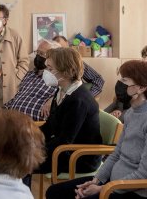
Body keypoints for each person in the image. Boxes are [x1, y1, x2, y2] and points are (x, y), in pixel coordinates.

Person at [46, 60, 147, 199]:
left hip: (135, 190)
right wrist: (96, 181)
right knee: (54, 192)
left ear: (141, 88)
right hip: (113, 182)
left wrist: (102, 188)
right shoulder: (131, 113)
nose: (119, 84)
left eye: (124, 80)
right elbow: (117, 153)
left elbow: (145, 174)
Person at [25, 47, 102, 187]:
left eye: (50, 68)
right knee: (17, 155)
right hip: (64, 150)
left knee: (18, 163)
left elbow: (65, 140)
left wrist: (34, 149)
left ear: (67, 71)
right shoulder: (61, 91)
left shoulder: (79, 100)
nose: (46, 72)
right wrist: (29, 139)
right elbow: (49, 127)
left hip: (79, 157)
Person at [4, 39, 61, 121]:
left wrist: (53, 99)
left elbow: (70, 91)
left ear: (54, 58)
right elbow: (17, 97)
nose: (38, 56)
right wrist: (3, 110)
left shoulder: (57, 78)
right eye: (37, 52)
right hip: (13, 121)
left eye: (42, 54)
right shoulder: (29, 74)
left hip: (35, 126)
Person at [105, 43, 147, 122]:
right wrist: (119, 109)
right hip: (127, 104)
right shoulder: (141, 72)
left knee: (116, 120)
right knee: (102, 115)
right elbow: (121, 95)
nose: (144, 59)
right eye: (144, 56)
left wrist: (121, 113)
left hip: (141, 110)